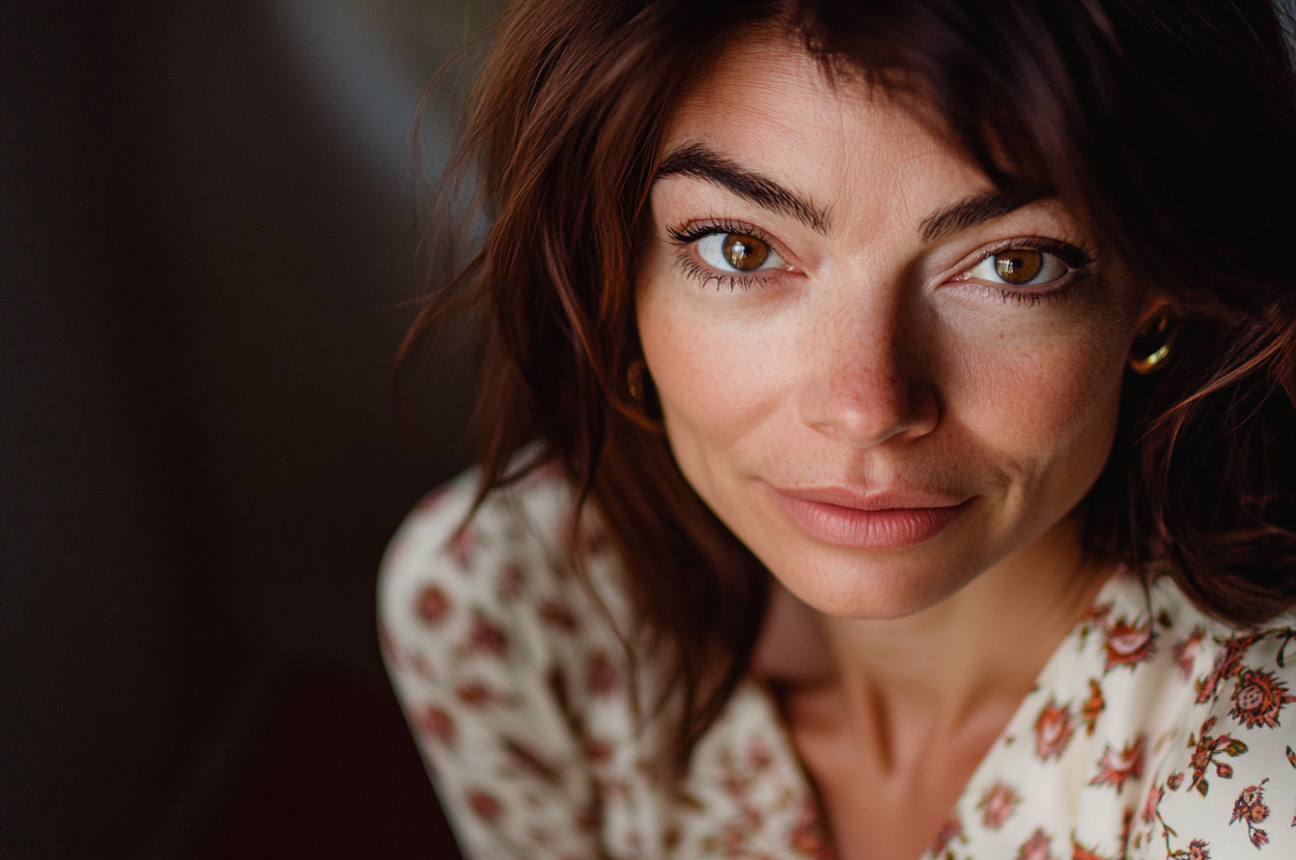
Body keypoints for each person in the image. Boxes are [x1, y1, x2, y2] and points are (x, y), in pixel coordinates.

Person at [379, 0, 1296, 857]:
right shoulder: (507, 611)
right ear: (616, 276)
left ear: (1157, 300)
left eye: (1015, 265)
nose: (867, 406)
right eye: (740, 249)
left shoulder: (1254, 776)